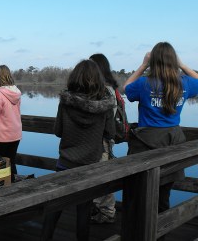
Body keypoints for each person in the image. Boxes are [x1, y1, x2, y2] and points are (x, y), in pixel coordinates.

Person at [123, 41, 198, 240]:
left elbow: (126, 88)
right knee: (163, 196)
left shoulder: (144, 84)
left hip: (144, 145)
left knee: (136, 195)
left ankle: (135, 234)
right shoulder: (184, 83)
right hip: (172, 144)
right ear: (173, 60)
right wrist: (181, 65)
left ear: (153, 61)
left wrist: (143, 65)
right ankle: (160, 235)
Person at [41, 59, 115, 241]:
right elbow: (110, 132)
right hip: (90, 165)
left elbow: (58, 131)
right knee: (83, 212)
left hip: (65, 162)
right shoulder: (105, 105)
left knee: (54, 208)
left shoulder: (66, 102)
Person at [89, 53, 118, 224]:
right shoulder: (108, 89)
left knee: (102, 177)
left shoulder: (105, 91)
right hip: (103, 140)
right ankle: (103, 210)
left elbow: (105, 118)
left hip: (102, 141)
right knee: (101, 175)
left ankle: (106, 212)